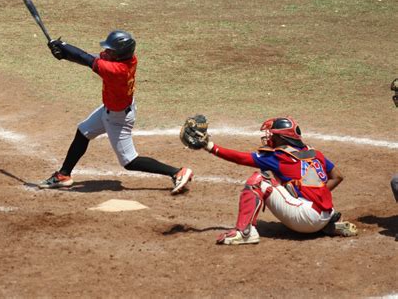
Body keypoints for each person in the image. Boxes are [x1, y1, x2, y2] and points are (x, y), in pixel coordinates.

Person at [38, 30, 193, 194]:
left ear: (119, 54)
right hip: (111, 109)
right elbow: (88, 57)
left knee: (129, 161)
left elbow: (86, 59)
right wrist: (64, 54)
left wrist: (62, 45)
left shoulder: (117, 70)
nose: (106, 52)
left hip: (118, 118)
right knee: (83, 131)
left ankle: (177, 172)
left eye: (110, 50)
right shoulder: (128, 59)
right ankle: (64, 175)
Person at [199, 116, 357, 245]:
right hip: (327, 213)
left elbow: (242, 158)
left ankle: (245, 233)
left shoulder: (278, 156)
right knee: (293, 187)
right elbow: (338, 176)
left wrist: (211, 147)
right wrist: (317, 194)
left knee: (259, 180)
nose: (270, 137)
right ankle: (325, 226)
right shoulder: (315, 153)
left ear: (282, 138)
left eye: (273, 134)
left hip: (306, 219)